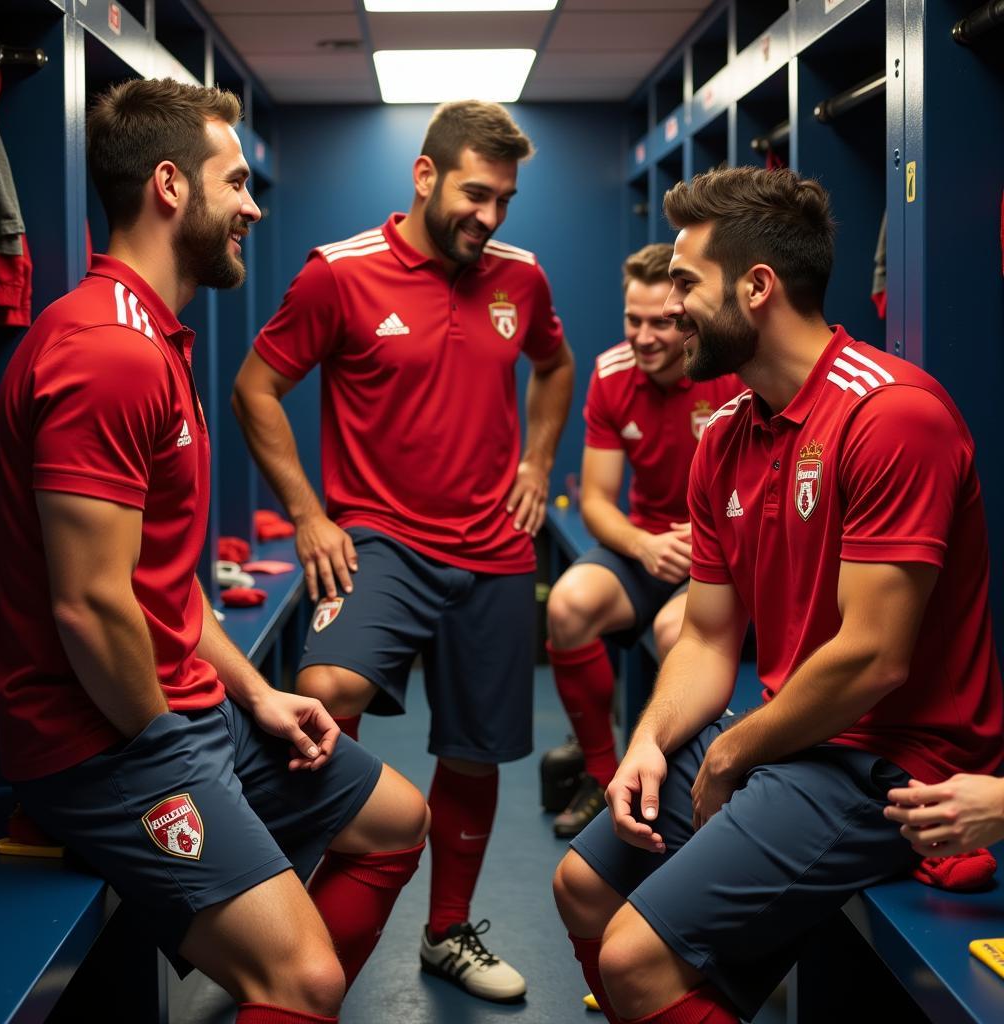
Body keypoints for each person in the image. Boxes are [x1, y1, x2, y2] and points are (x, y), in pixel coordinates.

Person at [0, 78, 430, 1024]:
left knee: (397, 820)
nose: (254, 207)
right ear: (171, 186)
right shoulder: (106, 352)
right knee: (303, 978)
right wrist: (178, 756)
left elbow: (161, 590)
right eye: (236, 183)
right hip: (103, 744)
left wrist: (258, 694)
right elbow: (92, 608)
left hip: (180, 711)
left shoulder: (156, 339)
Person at [551, 166, 1004, 1024]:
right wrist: (652, 740)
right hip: (791, 730)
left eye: (686, 283)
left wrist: (732, 754)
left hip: (889, 762)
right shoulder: (725, 435)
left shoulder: (892, 415)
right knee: (581, 887)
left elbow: (874, 660)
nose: (673, 305)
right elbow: (710, 639)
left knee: (634, 960)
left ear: (756, 288)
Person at [232, 100, 574, 1002]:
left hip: (495, 550)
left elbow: (555, 364)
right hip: (380, 537)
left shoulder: (521, 278)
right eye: (474, 193)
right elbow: (256, 387)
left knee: (474, 751)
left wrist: (538, 460)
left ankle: (447, 931)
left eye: (503, 199)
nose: (489, 217)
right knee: (322, 694)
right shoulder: (338, 275)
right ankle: (302, 901)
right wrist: (308, 514)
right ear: (424, 176)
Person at [544, 242, 742, 839]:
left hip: (722, 554)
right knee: (568, 604)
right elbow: (598, 501)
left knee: (669, 632)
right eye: (634, 319)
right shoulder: (610, 374)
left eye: (662, 321)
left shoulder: (727, 371)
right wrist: (644, 545)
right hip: (648, 547)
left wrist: (711, 536)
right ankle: (603, 776)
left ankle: (668, 787)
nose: (645, 336)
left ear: (687, 314)